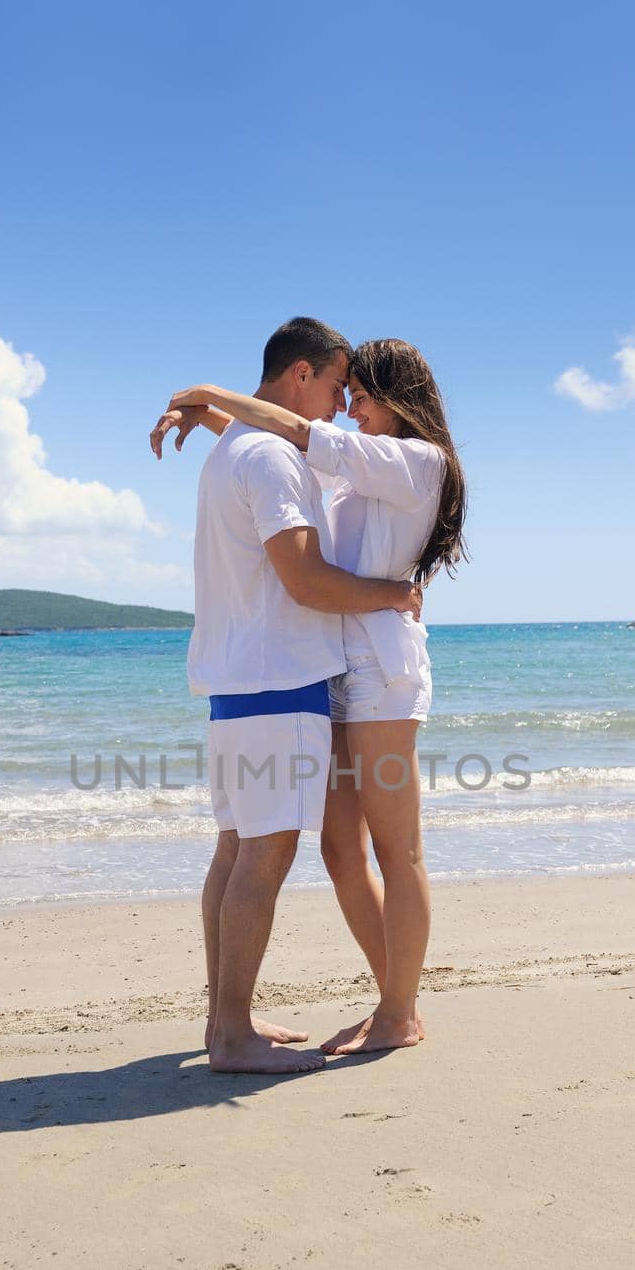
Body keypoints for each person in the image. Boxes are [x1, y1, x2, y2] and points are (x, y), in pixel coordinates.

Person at [154, 337, 467, 1056]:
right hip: (333, 673)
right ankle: (391, 998)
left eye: (360, 394)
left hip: (383, 677)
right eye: (345, 391)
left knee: (398, 851)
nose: (349, 406)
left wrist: (203, 391)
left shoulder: (417, 462)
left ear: (398, 394)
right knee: (337, 850)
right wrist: (211, 421)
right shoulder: (358, 473)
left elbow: (297, 431)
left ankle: (398, 1010)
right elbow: (282, 451)